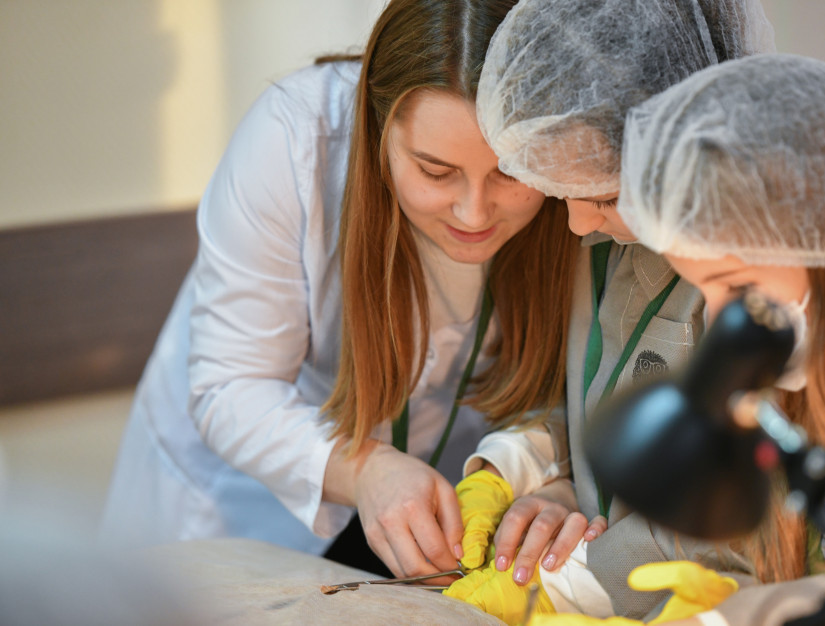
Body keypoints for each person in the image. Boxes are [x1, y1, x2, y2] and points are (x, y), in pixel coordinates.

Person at [98, 0, 580, 582]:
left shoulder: (577, 181)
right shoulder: (296, 138)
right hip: (237, 504)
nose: (474, 212)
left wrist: (551, 482)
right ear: (377, 129)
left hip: (438, 505)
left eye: (509, 171)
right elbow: (231, 385)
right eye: (434, 171)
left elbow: (576, 381)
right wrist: (366, 471)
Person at [444, 0, 774, 621]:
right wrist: (519, 464)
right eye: (562, 193)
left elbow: (736, 521)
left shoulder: (752, 280)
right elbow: (603, 395)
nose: (573, 223)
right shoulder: (608, 232)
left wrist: (558, 586)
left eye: (601, 195)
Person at [598, 52, 825, 625]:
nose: (718, 319)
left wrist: (752, 615)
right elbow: (728, 540)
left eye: (737, 285)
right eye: (701, 288)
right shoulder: (804, 388)